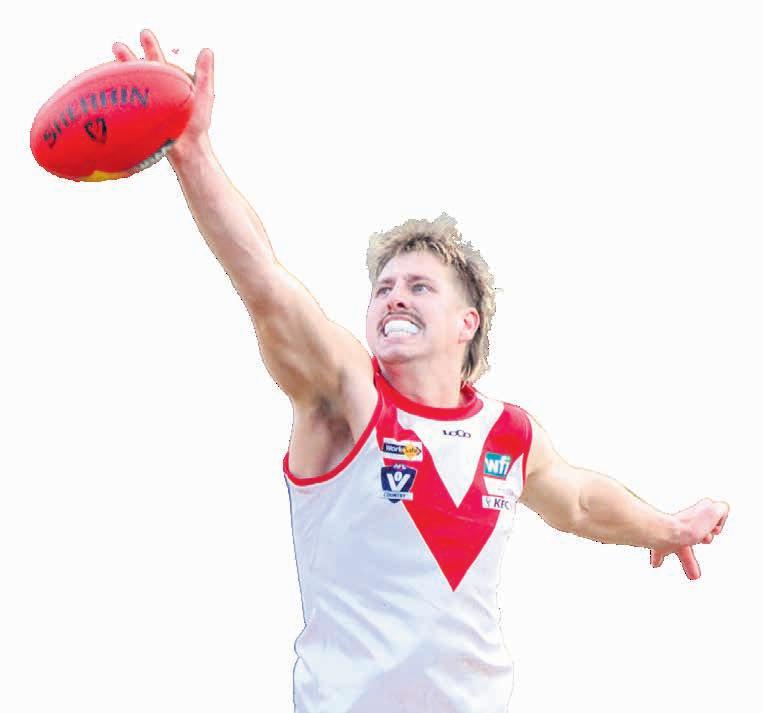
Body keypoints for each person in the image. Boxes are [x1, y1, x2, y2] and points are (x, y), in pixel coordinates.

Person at [112, 30, 730, 713]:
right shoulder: (345, 397)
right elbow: (265, 281)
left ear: (468, 323)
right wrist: (194, 155)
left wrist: (666, 526)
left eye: (418, 286)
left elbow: (581, 501)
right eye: (383, 288)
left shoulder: (509, 433)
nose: (393, 297)